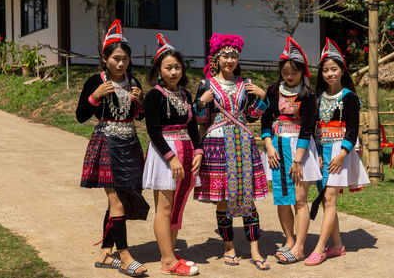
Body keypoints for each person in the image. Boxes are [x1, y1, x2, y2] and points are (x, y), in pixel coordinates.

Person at [76, 19, 149, 277]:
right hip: (106, 143)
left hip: (130, 144)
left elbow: (139, 117)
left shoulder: (133, 80)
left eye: (125, 59)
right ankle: (126, 255)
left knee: (121, 200)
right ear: (105, 57)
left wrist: (141, 103)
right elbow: (80, 116)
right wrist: (95, 96)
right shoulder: (95, 80)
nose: (121, 63)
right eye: (116, 58)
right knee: (116, 200)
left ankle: (105, 253)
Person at [193, 33, 271, 271]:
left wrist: (263, 98)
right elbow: (200, 119)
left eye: (234, 56)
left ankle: (255, 249)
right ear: (216, 58)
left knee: (248, 200)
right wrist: (201, 103)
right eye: (225, 55)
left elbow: (252, 117)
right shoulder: (205, 85)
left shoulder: (244, 83)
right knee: (224, 200)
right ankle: (229, 247)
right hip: (216, 144)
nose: (229, 60)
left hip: (243, 143)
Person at [305, 38, 369, 266]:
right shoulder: (318, 97)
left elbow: (353, 130)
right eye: (325, 70)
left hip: (340, 153)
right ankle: (338, 245)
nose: (330, 73)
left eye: (334, 69)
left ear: (342, 70)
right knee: (326, 201)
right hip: (322, 152)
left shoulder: (350, 98)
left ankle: (320, 248)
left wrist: (342, 154)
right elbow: (313, 129)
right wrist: (318, 152)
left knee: (330, 199)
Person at [142, 34, 202, 276]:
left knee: (178, 205)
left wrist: (198, 150)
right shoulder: (155, 95)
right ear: (159, 69)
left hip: (186, 151)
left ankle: (171, 253)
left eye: (177, 67)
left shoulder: (185, 95)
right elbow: (153, 131)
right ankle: (167, 260)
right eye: (168, 67)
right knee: (164, 208)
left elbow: (192, 125)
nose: (174, 71)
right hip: (165, 154)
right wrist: (171, 157)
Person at [260, 37, 322, 264]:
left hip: (299, 151)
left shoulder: (308, 95)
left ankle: (300, 246)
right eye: (285, 71)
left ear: (302, 72)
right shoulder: (273, 90)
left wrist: (298, 160)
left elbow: (307, 130)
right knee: (282, 198)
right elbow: (265, 122)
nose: (289, 75)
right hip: (276, 148)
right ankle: (288, 240)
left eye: (294, 71)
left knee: (299, 199)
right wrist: (268, 145)